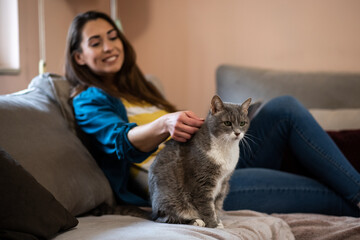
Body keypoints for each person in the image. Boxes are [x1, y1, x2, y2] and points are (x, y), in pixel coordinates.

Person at [65, 11, 360, 217]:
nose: (109, 46)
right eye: (95, 43)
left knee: (283, 107)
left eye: (112, 37)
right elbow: (120, 140)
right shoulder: (89, 99)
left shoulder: (142, 90)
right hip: (190, 183)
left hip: (222, 157)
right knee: (328, 191)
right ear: (79, 56)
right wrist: (165, 123)